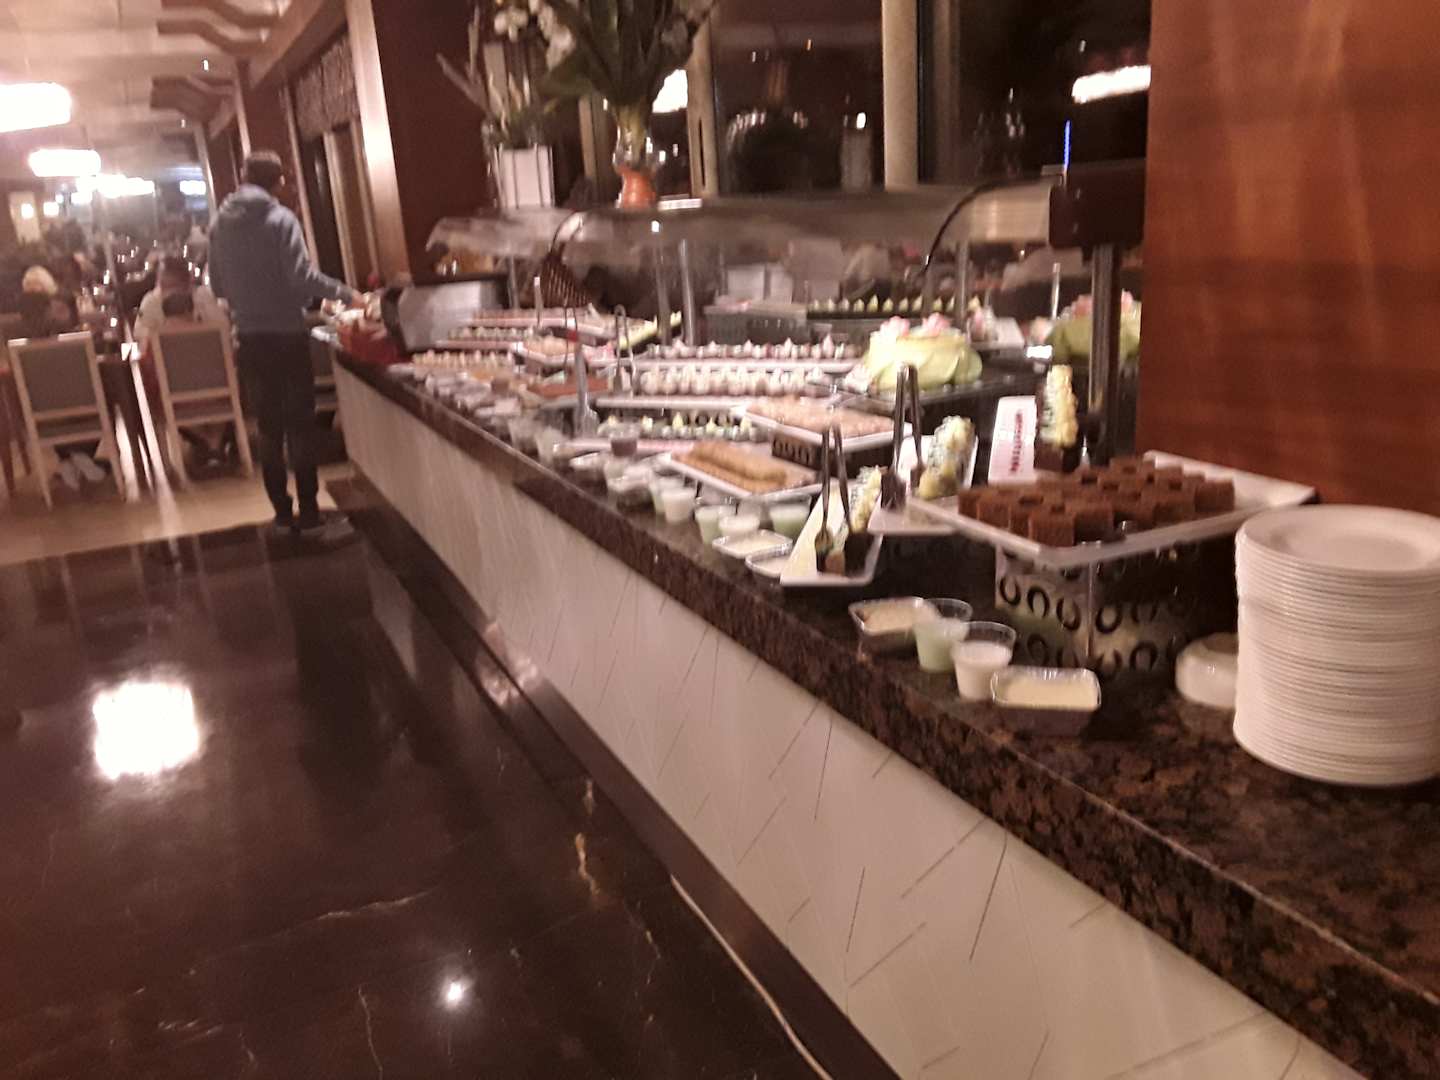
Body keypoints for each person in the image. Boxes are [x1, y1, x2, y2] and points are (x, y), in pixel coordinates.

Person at [208, 150, 359, 539]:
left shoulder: (219, 225)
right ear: (278, 181)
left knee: (269, 429)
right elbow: (300, 277)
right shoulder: (281, 220)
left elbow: (217, 286)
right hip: (287, 336)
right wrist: (347, 294)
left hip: (249, 339)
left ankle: (280, 513)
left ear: (244, 178)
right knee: (300, 427)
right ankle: (309, 513)